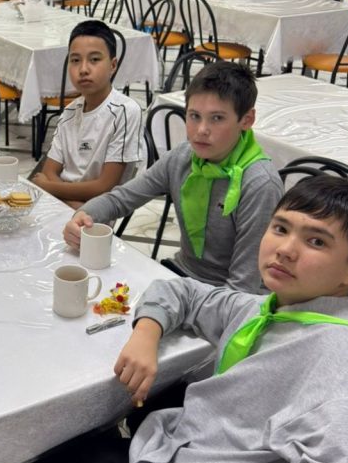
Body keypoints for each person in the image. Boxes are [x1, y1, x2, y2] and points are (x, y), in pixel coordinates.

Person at [18, 175, 348, 463]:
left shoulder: (337, 358)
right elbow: (181, 291)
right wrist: (147, 332)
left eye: (316, 241)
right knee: (140, 398)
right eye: (281, 228)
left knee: (40, 453)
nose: (285, 249)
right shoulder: (277, 309)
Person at [63, 60, 283, 293]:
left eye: (217, 118)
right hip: (184, 275)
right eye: (194, 116)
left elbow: (243, 286)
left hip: (229, 294)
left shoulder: (259, 184)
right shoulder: (183, 157)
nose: (201, 130)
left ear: (246, 120)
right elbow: (121, 199)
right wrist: (83, 216)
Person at [32, 19, 143, 210]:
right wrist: (73, 205)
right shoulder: (69, 112)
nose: (83, 69)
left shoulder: (125, 112)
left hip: (99, 212)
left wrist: (50, 188)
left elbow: (105, 186)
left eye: (94, 59)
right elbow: (50, 170)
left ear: (113, 65)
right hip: (68, 206)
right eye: (75, 60)